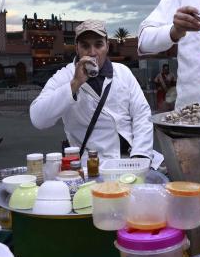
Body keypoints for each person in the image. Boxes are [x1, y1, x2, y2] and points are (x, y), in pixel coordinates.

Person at [30, 20, 162, 167]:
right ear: (77, 48)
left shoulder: (123, 73)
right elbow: (38, 118)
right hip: (91, 165)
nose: (92, 52)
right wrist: (74, 84)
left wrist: (140, 156)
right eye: (85, 46)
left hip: (129, 160)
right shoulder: (64, 77)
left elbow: (142, 114)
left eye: (98, 45)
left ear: (107, 46)